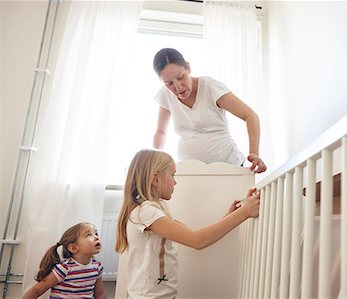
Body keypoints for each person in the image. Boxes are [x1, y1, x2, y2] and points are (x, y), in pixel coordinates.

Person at [115, 149, 260, 299]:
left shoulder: (156, 209)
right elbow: (197, 240)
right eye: (172, 175)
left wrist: (232, 214)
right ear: (156, 179)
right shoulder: (146, 212)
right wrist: (244, 213)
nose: (175, 181)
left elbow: (193, 234)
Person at [152, 48, 267, 173]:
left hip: (227, 167)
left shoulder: (210, 87)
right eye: (169, 83)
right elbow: (160, 132)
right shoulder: (165, 94)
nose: (178, 87)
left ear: (188, 67)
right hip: (189, 171)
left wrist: (254, 152)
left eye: (180, 77)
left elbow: (250, 116)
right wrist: (154, 161)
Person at [22, 222, 105, 299]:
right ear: (73, 248)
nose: (96, 237)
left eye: (96, 233)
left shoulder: (97, 267)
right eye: (88, 235)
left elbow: (99, 294)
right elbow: (37, 290)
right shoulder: (64, 268)